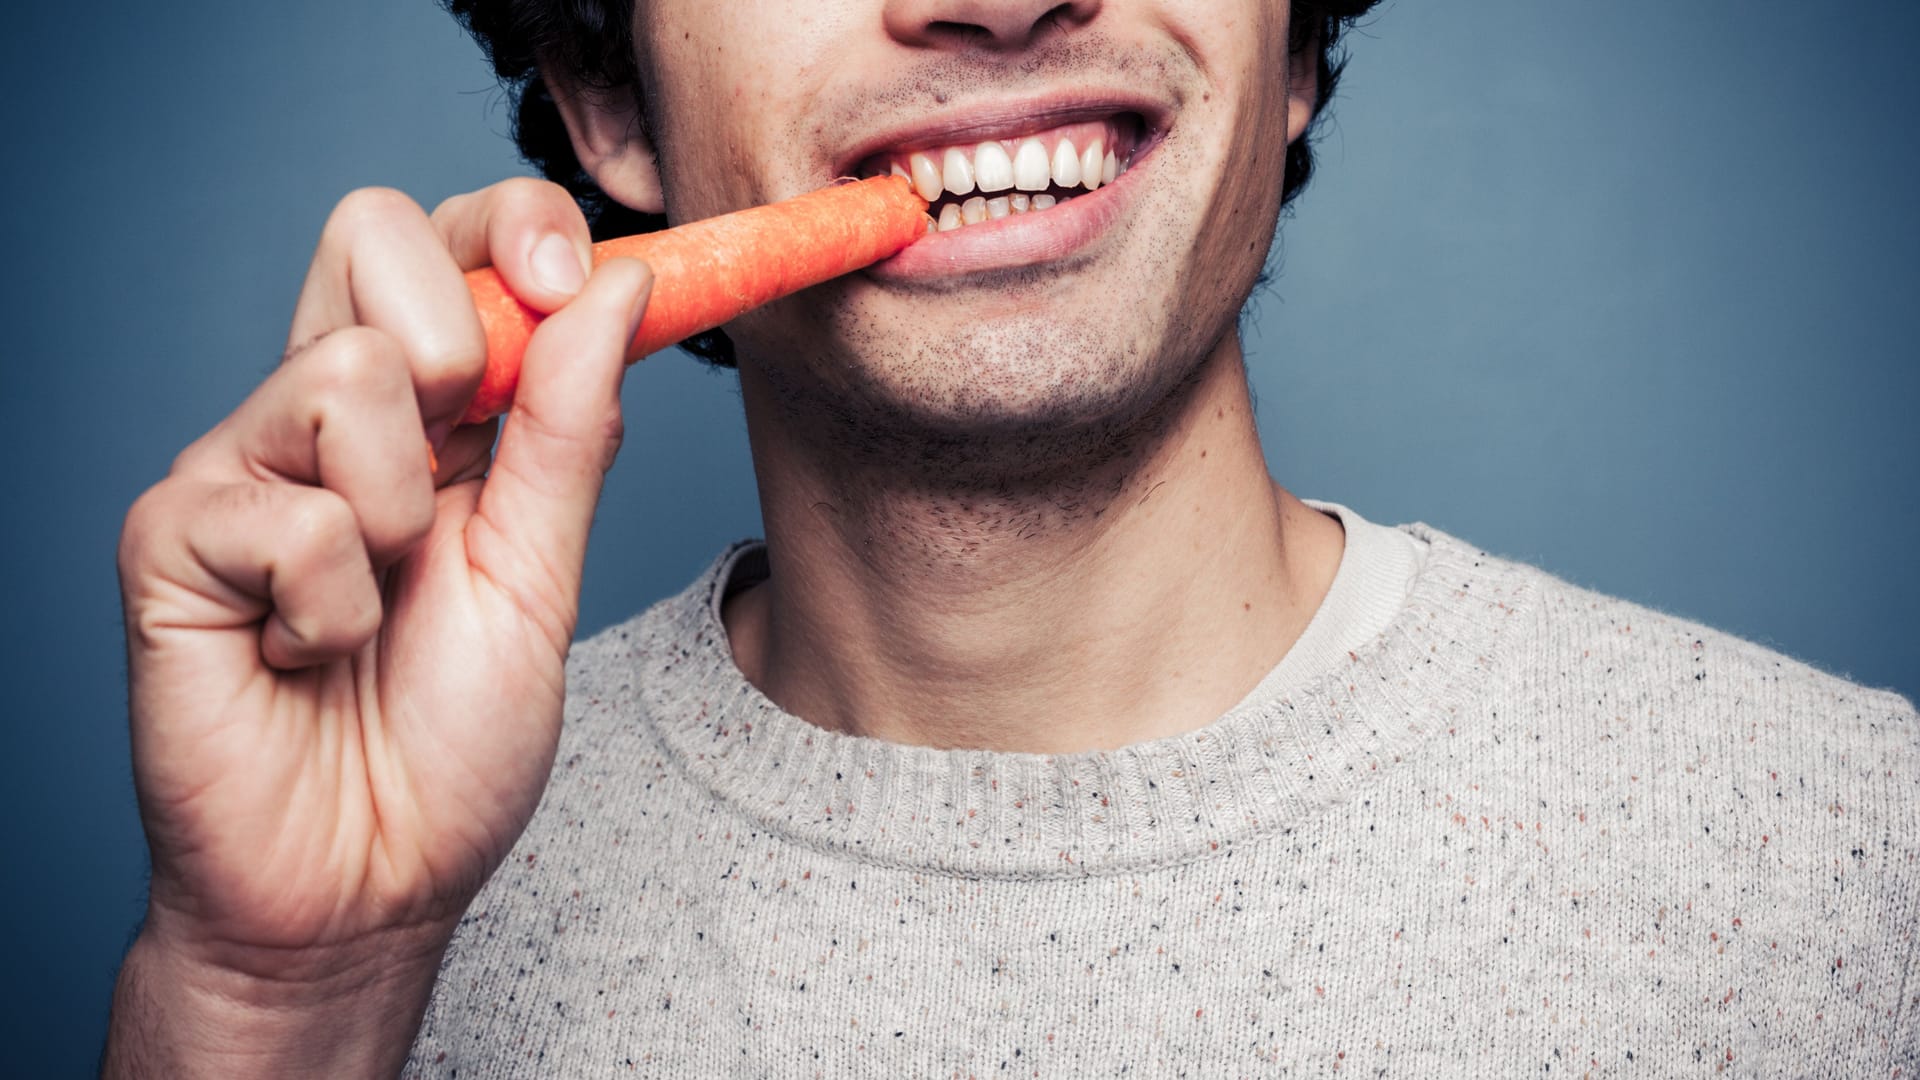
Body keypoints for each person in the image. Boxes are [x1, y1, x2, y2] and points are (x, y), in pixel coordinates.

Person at [103, 0, 1917, 1075]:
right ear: (610, 104)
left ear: (1290, 49)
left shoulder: (1855, 874)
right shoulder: (356, 935)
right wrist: (281, 1000)